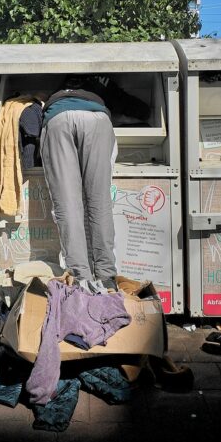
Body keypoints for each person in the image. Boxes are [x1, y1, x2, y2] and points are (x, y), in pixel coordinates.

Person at [40, 74, 150, 292]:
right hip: (97, 120)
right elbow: (137, 108)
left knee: (68, 205)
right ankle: (107, 277)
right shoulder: (102, 81)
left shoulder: (55, 88)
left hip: (57, 120)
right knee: (99, 201)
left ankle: (80, 279)